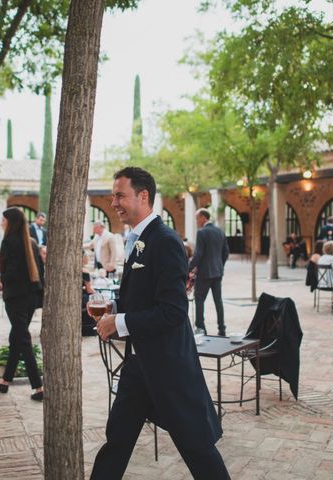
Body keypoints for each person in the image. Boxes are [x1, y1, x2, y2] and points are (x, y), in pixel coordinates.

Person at [92, 167, 228, 479]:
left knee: (198, 448)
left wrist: (120, 322)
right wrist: (113, 307)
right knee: (117, 443)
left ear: (143, 196)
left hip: (168, 367)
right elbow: (143, 297)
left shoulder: (165, 241)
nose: (114, 202)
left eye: (119, 195)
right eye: (114, 196)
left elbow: (173, 311)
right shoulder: (137, 239)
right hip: (138, 367)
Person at [0, 207, 44, 401]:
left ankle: (38, 387)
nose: (2, 223)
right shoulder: (32, 243)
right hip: (31, 298)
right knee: (16, 338)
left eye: (3, 220)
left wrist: (0, 278)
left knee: (23, 341)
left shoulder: (9, 242)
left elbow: (11, 272)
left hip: (15, 298)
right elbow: (40, 272)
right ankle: (5, 381)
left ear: (10, 222)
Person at [189, 208, 230, 336]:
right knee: (218, 301)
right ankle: (222, 329)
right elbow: (226, 253)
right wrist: (220, 266)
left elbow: (198, 254)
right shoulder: (220, 232)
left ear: (203, 218)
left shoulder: (202, 232)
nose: (196, 221)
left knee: (199, 299)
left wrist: (188, 268)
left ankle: (201, 328)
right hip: (217, 273)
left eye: (197, 218)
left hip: (205, 273)